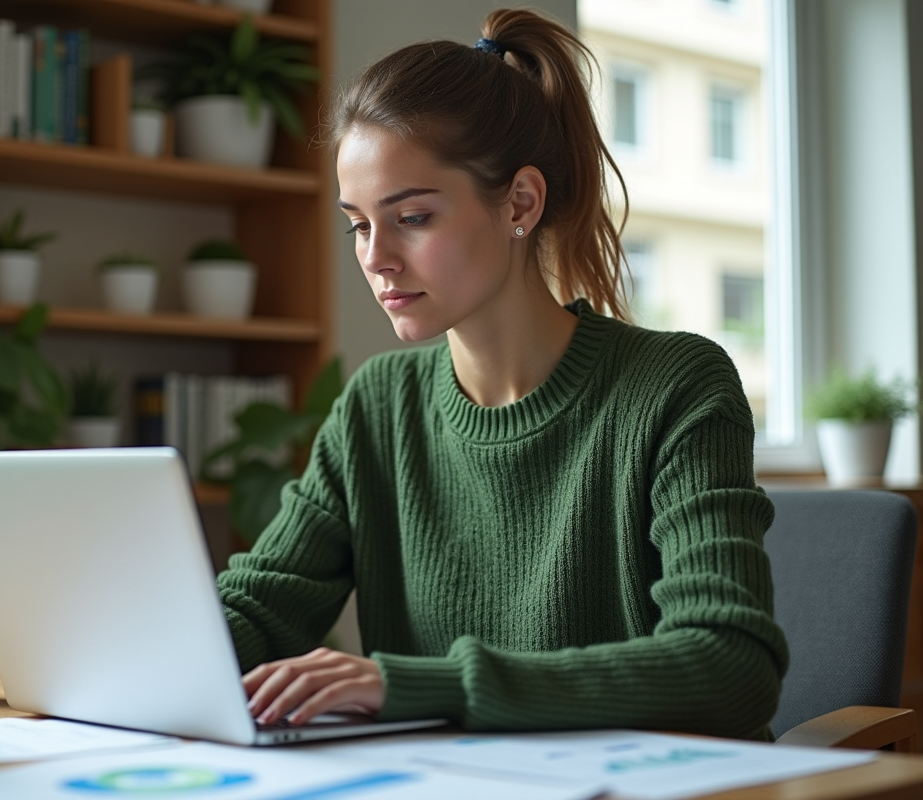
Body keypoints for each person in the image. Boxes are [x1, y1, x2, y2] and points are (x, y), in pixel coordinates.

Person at [216, 7, 789, 741]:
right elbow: (262, 606)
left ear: (520, 202)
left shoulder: (675, 385)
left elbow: (730, 667)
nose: (375, 256)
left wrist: (421, 686)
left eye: (412, 217)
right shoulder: (378, 406)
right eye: (359, 223)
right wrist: (135, 656)